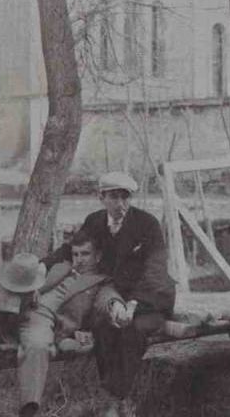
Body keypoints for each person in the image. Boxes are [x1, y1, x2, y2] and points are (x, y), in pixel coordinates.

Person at [45, 172, 175, 416]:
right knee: (104, 330)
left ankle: (113, 400)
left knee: (132, 330)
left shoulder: (147, 224)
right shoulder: (94, 221)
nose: (121, 204)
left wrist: (134, 304)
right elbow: (72, 248)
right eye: (114, 197)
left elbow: (155, 270)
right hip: (112, 295)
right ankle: (122, 401)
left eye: (125, 197)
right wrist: (43, 265)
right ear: (101, 197)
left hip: (150, 298)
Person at [16, 233, 132, 417]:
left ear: (98, 256)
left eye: (85, 254)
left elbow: (107, 298)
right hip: (19, 311)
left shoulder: (101, 281)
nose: (79, 259)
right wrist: (32, 289)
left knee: (37, 345)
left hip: (45, 321)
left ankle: (29, 410)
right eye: (75, 254)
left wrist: (116, 306)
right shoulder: (59, 267)